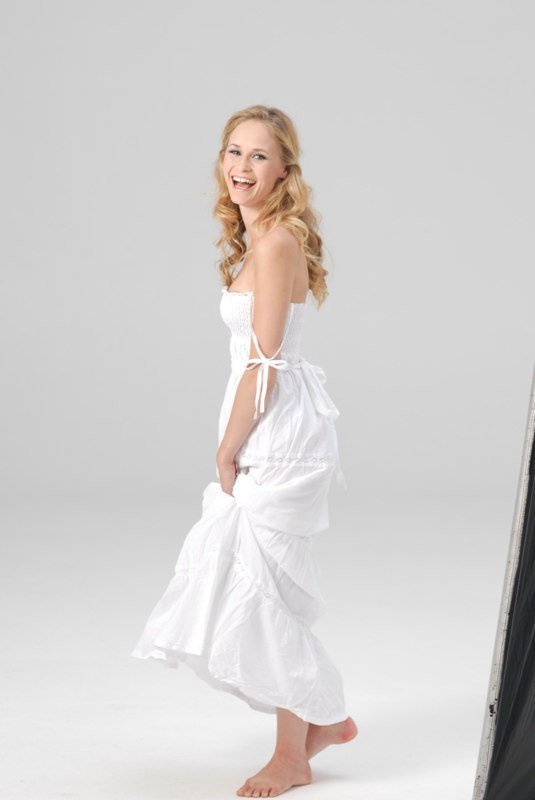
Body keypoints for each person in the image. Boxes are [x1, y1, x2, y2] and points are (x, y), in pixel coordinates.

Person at [131, 104, 358, 797]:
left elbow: (265, 364)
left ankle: (298, 748)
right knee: (255, 581)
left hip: (278, 433)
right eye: (234, 151)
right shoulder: (260, 239)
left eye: (259, 155)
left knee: (266, 590)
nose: (241, 166)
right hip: (271, 422)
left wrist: (228, 448)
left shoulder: (276, 243)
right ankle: (320, 724)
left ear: (285, 170)